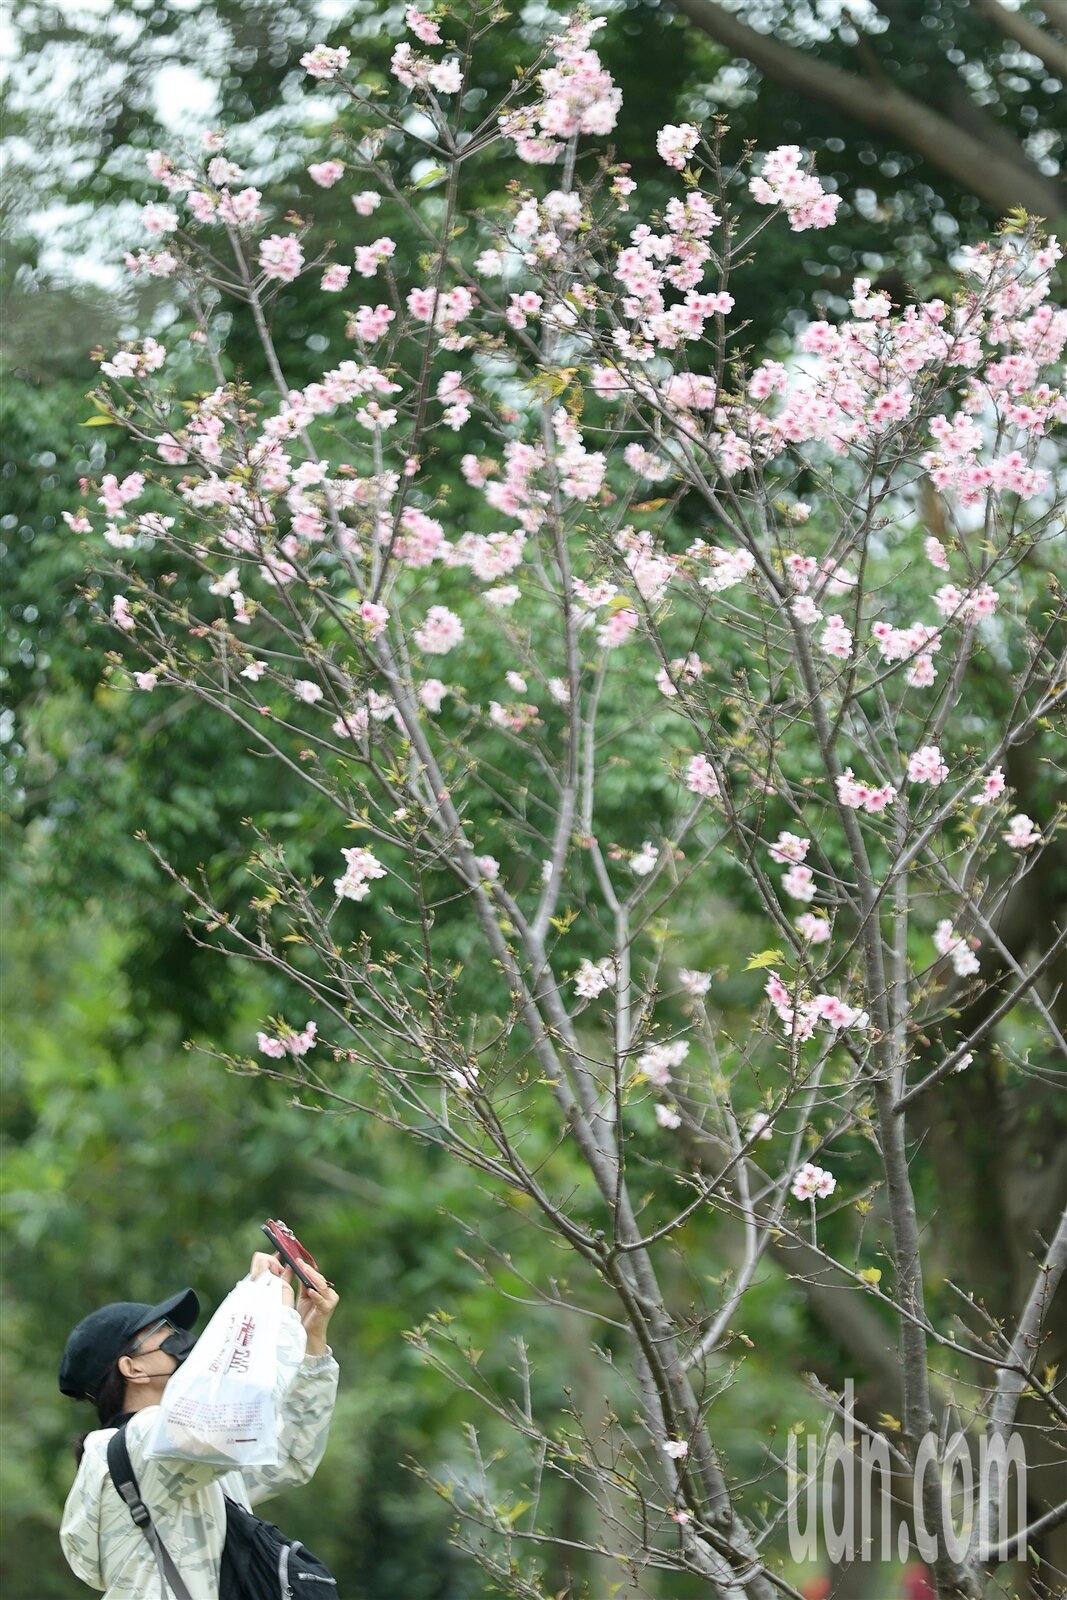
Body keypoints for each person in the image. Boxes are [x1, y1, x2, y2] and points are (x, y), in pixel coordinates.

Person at [58, 1250, 339, 1599]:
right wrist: (270, 1314)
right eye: (163, 1332)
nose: (181, 1339)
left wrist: (309, 1338)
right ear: (133, 1368)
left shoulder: (187, 1457)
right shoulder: (140, 1443)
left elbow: (289, 1457)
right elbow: (234, 1419)